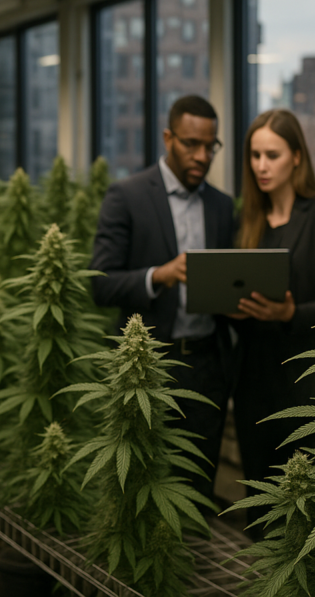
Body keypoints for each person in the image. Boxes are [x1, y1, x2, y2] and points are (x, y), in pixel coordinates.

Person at [90, 95, 236, 500]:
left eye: (211, 146)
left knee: (199, 482)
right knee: (144, 478)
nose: (202, 156)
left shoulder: (222, 206)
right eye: (191, 144)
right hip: (149, 365)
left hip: (208, 363)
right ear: (169, 138)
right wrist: (160, 275)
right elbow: (101, 283)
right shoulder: (127, 196)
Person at [231, 108, 315, 490]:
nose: (261, 166)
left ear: (297, 156)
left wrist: (290, 313)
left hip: (309, 387)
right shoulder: (247, 222)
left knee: (309, 505)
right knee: (261, 506)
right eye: (255, 156)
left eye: (273, 155)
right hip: (253, 388)